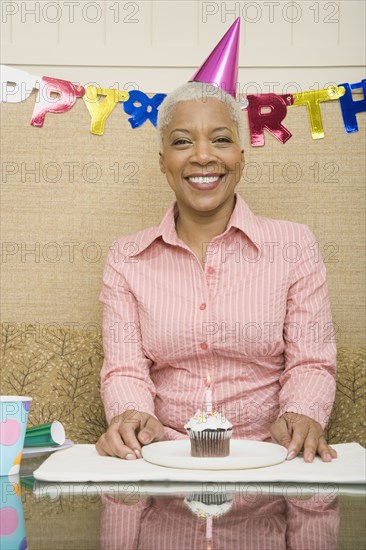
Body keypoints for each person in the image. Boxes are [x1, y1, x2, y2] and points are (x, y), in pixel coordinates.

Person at [95, 81, 337, 464]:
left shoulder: (295, 245)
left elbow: (311, 361)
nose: (203, 156)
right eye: (182, 142)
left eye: (220, 139)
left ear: (241, 156)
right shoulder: (126, 257)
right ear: (163, 161)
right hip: (164, 457)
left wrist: (302, 412)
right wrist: (132, 416)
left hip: (271, 457)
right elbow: (125, 369)